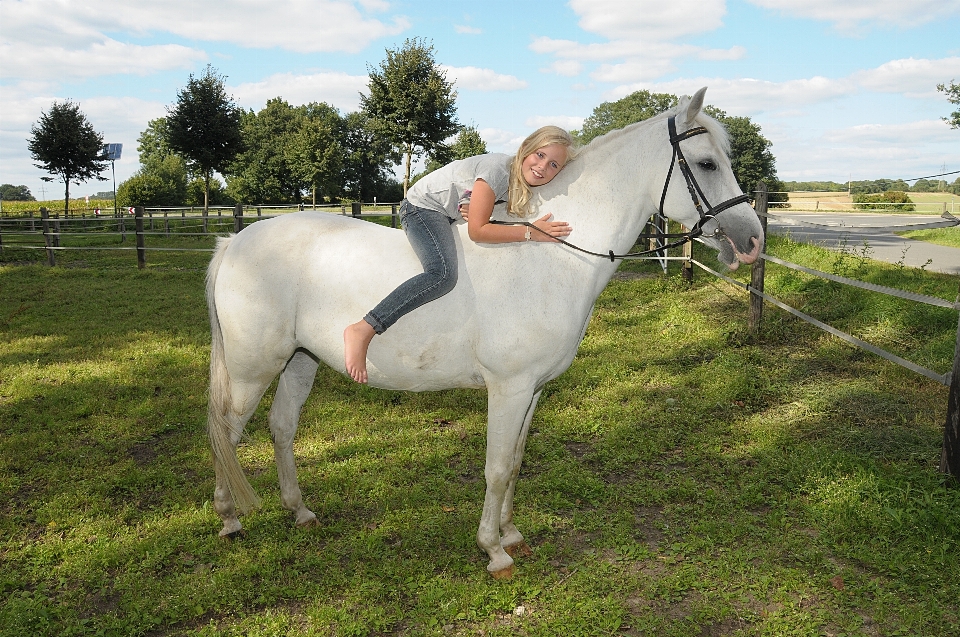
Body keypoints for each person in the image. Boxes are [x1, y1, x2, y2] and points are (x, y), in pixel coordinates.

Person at [343, 125, 578, 383]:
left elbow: (478, 206)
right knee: (441, 274)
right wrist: (531, 232)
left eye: (554, 165)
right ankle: (364, 328)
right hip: (423, 208)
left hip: (447, 211)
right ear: (526, 149)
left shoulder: (517, 179)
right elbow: (478, 231)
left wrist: (472, 206)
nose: (543, 167)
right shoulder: (498, 170)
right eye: (540, 155)